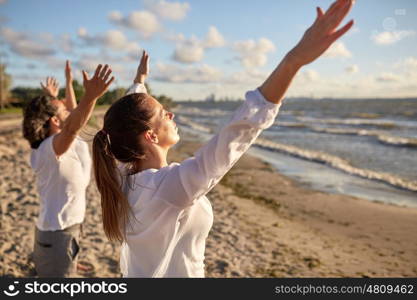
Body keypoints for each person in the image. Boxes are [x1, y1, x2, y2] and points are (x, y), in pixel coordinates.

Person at [92, 0, 355, 277]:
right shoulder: (168, 188)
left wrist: (139, 83)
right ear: (150, 135)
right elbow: (237, 132)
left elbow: (122, 126)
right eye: (163, 114)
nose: (170, 114)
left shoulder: (121, 177)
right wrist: (293, 61)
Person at [22, 61, 114, 277]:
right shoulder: (49, 149)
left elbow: (73, 114)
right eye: (62, 108)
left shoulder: (60, 143)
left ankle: (68, 263)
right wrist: (90, 97)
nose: (68, 108)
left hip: (69, 227)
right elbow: (74, 123)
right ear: (55, 120)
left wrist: (68, 82)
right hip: (56, 236)